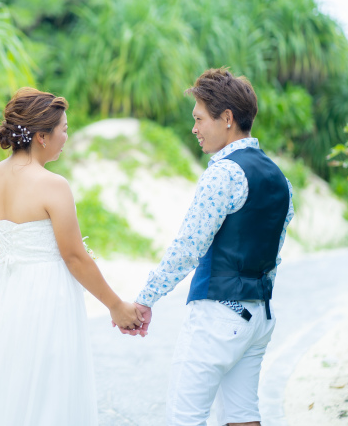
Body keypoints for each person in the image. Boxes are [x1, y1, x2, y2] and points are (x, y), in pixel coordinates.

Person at [121, 68, 295, 426]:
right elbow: (272, 252)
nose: (194, 129)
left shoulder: (224, 172)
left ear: (227, 119)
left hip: (219, 315)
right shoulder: (280, 178)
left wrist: (144, 300)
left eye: (199, 119)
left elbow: (188, 247)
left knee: (185, 418)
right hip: (259, 316)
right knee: (243, 415)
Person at [0, 87, 143, 426]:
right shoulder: (52, 185)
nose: (66, 135)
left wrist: (14, 263)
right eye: (63, 129)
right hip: (48, 296)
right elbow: (75, 257)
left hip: (8, 291)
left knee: (10, 383)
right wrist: (117, 306)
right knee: (50, 388)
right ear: (42, 136)